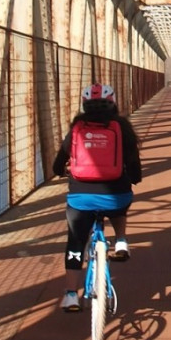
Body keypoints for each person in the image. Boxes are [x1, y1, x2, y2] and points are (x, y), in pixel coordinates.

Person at [52, 83, 142, 312]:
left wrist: (59, 171)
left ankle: (71, 294)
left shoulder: (76, 128)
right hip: (116, 196)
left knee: (75, 242)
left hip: (80, 198)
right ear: (113, 103)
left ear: (84, 105)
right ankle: (121, 240)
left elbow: (59, 161)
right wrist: (133, 177)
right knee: (121, 205)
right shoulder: (122, 127)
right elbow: (133, 163)